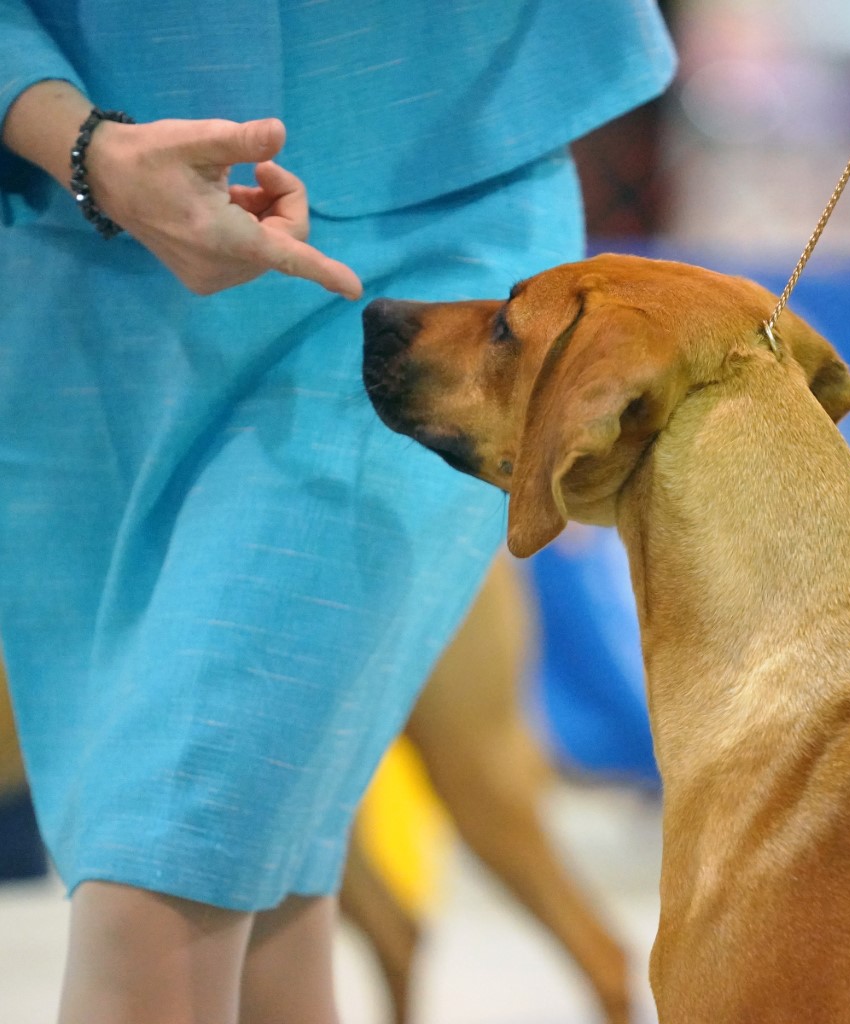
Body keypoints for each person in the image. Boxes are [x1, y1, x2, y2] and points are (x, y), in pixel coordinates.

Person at [0, 2, 675, 1022]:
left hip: (430, 257)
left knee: (164, 865)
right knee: (269, 891)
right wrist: (80, 141)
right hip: (73, 261)